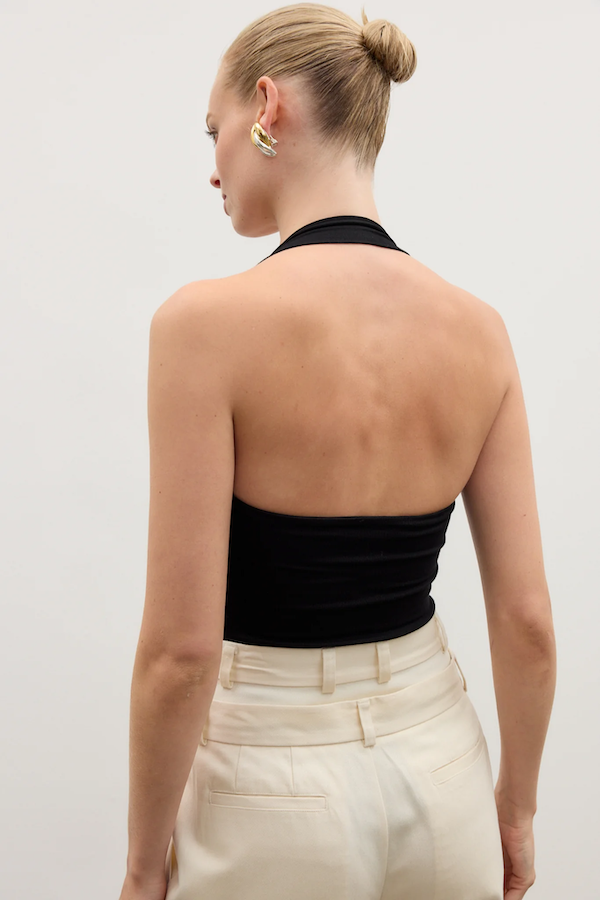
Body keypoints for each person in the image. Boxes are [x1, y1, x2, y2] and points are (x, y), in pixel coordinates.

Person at [119, 5, 557, 900]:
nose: (214, 167)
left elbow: (181, 653)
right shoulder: (480, 331)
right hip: (443, 772)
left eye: (214, 129)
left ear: (267, 106)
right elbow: (527, 623)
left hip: (268, 787)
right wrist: (514, 808)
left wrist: (140, 867)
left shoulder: (204, 328)